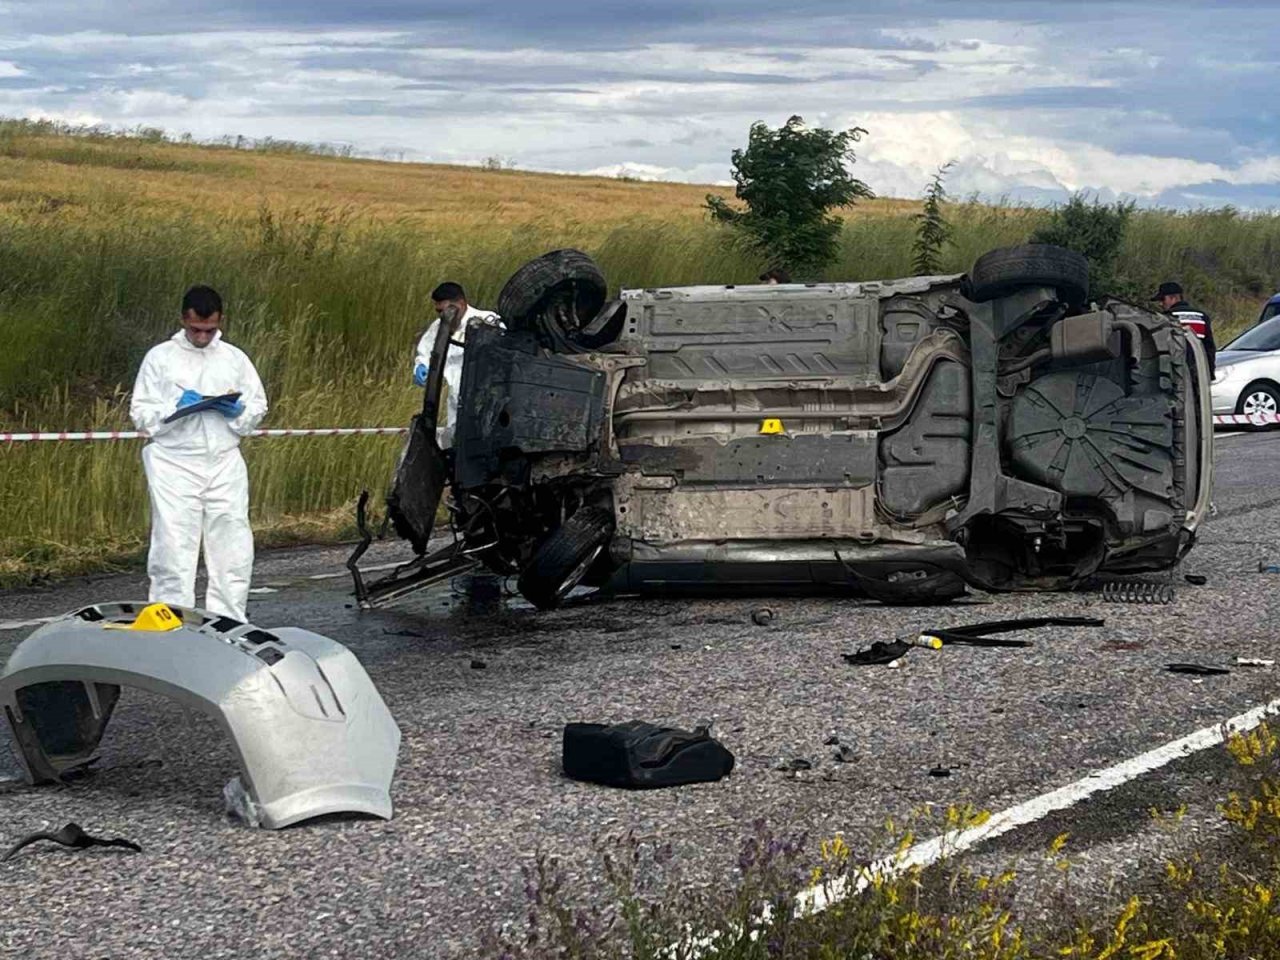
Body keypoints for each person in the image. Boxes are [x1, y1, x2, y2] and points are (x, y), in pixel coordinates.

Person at [129, 286, 268, 622]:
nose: (203, 337)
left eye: (210, 330)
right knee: (173, 547)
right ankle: (170, 622)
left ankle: (229, 623)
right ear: (183, 320)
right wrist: (175, 408)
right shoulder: (160, 358)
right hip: (173, 462)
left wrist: (237, 412)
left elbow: (258, 405)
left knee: (232, 546)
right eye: (196, 330)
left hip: (224, 459)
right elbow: (141, 414)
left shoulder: (234, 358)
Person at [412, 281, 503, 446]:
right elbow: (425, 352)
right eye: (438, 311)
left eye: (447, 310)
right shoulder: (439, 327)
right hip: (456, 400)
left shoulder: (488, 322)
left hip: (486, 400)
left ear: (461, 304)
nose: (443, 315)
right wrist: (421, 366)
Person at [1153, 280, 1216, 377]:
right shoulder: (1202, 316)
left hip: (1177, 373)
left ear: (1173, 298)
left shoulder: (1166, 318)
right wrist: (1210, 373)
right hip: (1199, 372)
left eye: (1162, 300)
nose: (1161, 304)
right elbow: (1209, 347)